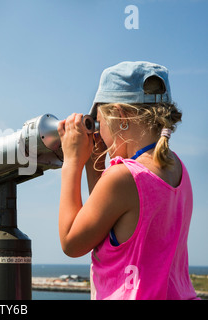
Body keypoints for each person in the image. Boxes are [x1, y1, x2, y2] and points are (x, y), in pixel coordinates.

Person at [57, 61, 199, 300]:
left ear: (121, 116)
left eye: (100, 122)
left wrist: (71, 161)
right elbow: (107, 224)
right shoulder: (177, 169)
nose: (99, 131)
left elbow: (72, 242)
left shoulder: (123, 177)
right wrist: (95, 161)